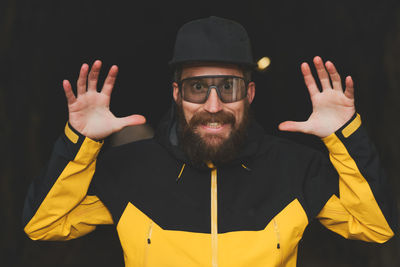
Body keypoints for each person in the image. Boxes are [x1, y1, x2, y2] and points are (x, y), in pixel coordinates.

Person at [23, 16, 396, 267]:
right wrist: (79, 141)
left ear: (249, 94)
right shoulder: (129, 171)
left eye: (228, 87)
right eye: (197, 88)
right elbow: (44, 224)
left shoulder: (296, 170)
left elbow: (376, 226)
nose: (213, 106)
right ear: (175, 94)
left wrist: (346, 135)